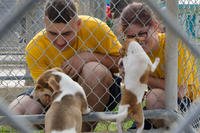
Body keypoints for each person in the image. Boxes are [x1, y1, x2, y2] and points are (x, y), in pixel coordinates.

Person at [9, 0, 122, 131]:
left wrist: (87, 57)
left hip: (99, 90)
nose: (60, 41)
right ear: (45, 24)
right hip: (57, 95)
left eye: (66, 33)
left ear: (78, 24)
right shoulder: (35, 47)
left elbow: (122, 63)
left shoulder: (95, 27)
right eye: (52, 33)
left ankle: (82, 130)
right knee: (18, 111)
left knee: (93, 70)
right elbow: (44, 92)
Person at [119, 2, 199, 129]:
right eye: (131, 36)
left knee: (154, 97)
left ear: (155, 26)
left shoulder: (173, 44)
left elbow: (179, 91)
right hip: (157, 104)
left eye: (142, 33)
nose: (139, 41)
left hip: (189, 105)